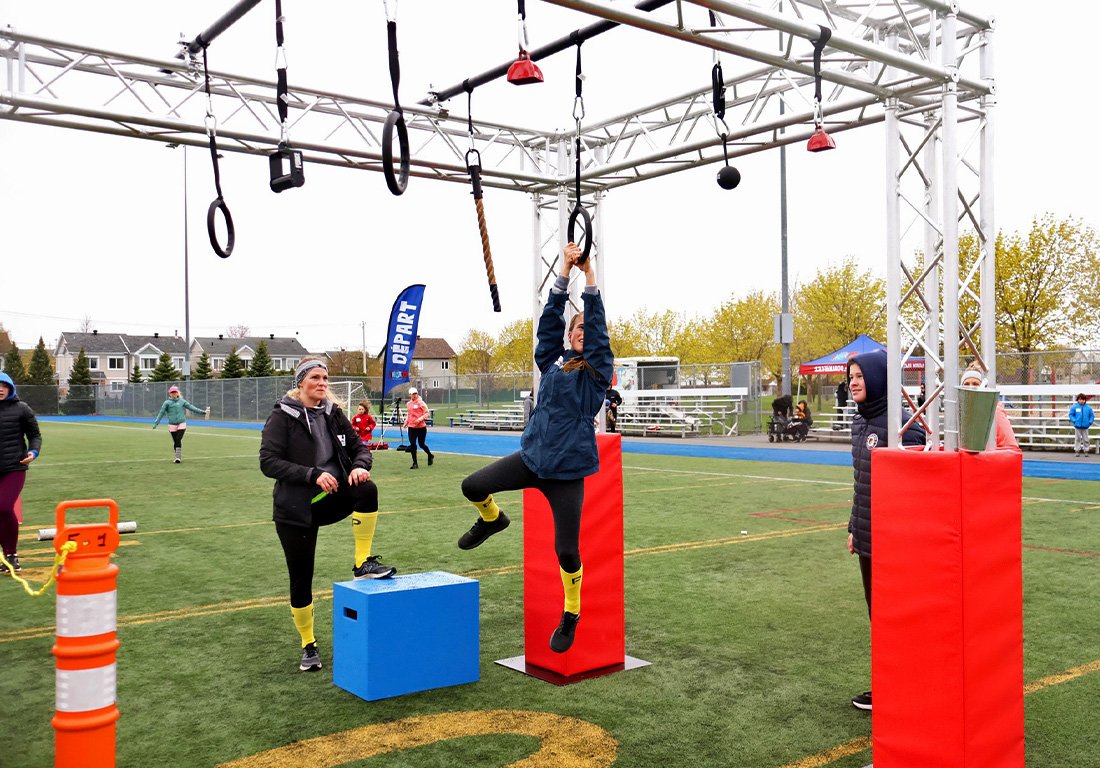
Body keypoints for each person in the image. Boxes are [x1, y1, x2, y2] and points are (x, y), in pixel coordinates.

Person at [456, 242, 613, 654]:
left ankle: (572, 613)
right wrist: (563, 274)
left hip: (567, 473)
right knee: (472, 486)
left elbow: (597, 332)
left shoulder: (596, 372)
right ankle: (493, 520)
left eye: (586, 330)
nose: (582, 333)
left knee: (566, 551)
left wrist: (589, 277)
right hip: (531, 459)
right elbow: (547, 326)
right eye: (576, 328)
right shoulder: (553, 362)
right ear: (568, 335)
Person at [260, 357, 396, 673]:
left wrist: (361, 465)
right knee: (301, 577)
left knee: (367, 489)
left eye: (325, 378)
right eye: (316, 378)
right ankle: (308, 645)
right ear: (301, 382)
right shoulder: (282, 416)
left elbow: (359, 447)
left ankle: (362, 564)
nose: (322, 383)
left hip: (331, 497)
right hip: (296, 508)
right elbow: (268, 462)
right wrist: (311, 474)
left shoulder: (333, 413)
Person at [846, 350, 926, 711]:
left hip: (897, 543)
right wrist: (853, 528)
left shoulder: (904, 427)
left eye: (861, 375)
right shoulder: (859, 423)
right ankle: (887, 686)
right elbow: (860, 483)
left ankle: (908, 686)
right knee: (877, 616)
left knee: (898, 618)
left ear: (878, 378)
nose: (854, 382)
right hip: (868, 538)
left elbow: (919, 491)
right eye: (851, 376)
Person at [0, 372, 40, 575]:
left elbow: (34, 435)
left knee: (5, 507)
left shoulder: (21, 409)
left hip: (14, 467)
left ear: (10, 388)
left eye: (3, 385)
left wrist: (33, 451)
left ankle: (11, 554)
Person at [960, 366, 1020, 451]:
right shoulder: (960, 411)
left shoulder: (994, 411)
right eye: (966, 384)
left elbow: (1009, 444)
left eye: (975, 384)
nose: (971, 387)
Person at [152, 385, 208, 463]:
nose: (174, 394)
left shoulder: (182, 401)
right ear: (170, 394)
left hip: (182, 423)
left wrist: (202, 412)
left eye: (175, 392)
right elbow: (161, 413)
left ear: (177, 393)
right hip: (172, 424)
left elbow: (191, 407)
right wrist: (156, 423)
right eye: (172, 393)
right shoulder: (167, 403)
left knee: (178, 439)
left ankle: (178, 457)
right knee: (176, 441)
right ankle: (177, 456)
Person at [403, 387, 434, 469]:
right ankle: (415, 463)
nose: (414, 395)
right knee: (413, 444)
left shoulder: (421, 403)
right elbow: (409, 414)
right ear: (409, 395)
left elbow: (427, 413)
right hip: (411, 427)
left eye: (415, 393)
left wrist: (420, 419)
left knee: (421, 444)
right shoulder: (408, 404)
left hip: (421, 427)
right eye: (412, 394)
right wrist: (406, 422)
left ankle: (430, 455)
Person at [1068, 392, 1095, 457]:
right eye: (1080, 399)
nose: (1081, 401)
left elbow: (1092, 415)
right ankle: (1077, 451)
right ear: (1078, 400)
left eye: (1083, 399)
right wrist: (1074, 421)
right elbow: (1071, 415)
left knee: (1086, 439)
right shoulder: (1074, 407)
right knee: (1077, 439)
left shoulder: (1088, 408)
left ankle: (1086, 450)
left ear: (1085, 400)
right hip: (1077, 426)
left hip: (1085, 426)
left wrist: (1090, 422)